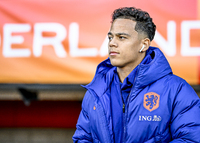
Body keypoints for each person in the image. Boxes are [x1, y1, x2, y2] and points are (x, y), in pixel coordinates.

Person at [72, 7, 200, 142]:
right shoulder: (96, 91)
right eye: (110, 37)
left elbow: (190, 139)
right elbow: (82, 138)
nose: (112, 43)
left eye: (121, 37)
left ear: (144, 45)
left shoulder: (177, 90)